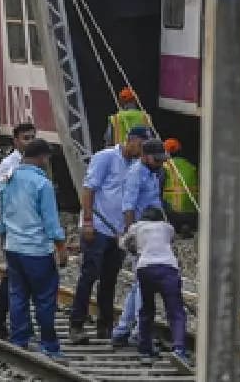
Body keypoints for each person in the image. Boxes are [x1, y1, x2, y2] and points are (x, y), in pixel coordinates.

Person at [70, 126, 148, 344]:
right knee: (89, 275)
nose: (141, 151)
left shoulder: (135, 166)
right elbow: (89, 189)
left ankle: (105, 325)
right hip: (98, 226)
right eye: (140, 145)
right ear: (130, 140)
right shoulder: (105, 158)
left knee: (109, 279)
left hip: (118, 233)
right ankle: (76, 323)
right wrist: (87, 222)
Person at [0, 138, 68, 360]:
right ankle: (49, 344)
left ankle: (20, 339)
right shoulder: (42, 184)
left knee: (18, 294)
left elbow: (1, 215)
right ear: (42, 157)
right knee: (45, 298)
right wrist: (61, 247)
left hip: (13, 247)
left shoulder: (9, 178)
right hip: (36, 250)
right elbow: (51, 221)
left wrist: (4, 240)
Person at [111, 135, 168, 348]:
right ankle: (135, 332)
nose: (160, 164)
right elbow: (128, 207)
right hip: (141, 234)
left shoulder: (151, 172)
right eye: (157, 160)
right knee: (143, 285)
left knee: (139, 284)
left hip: (150, 232)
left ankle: (124, 330)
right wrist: (131, 236)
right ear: (144, 156)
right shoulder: (136, 174)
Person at [121, 206, 190, 367]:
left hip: (145, 269)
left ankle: (145, 350)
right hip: (168, 269)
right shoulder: (168, 228)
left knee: (146, 309)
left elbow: (123, 244)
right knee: (176, 312)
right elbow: (167, 241)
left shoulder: (136, 227)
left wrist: (131, 245)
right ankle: (179, 349)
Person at [0, 122, 36, 338]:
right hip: (13, 227)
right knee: (14, 275)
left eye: (32, 138)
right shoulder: (10, 164)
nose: (30, 142)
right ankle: (0, 321)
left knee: (26, 276)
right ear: (16, 141)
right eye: (26, 138)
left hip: (29, 227)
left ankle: (20, 322)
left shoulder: (36, 163)